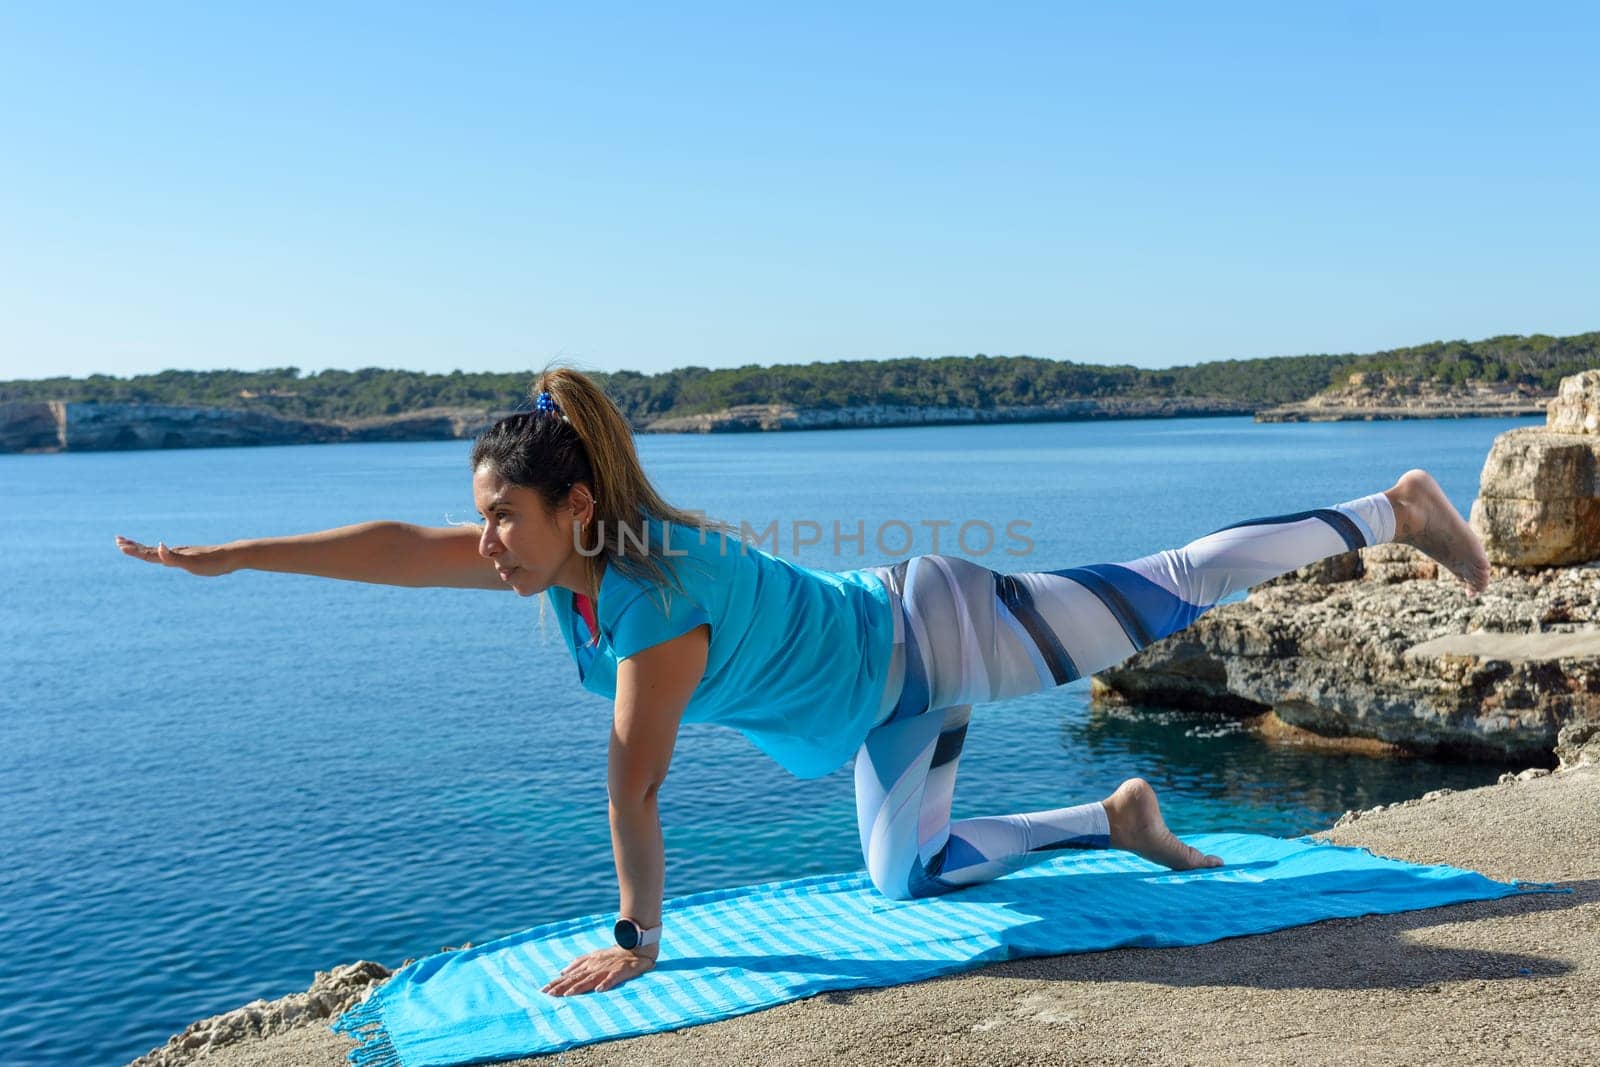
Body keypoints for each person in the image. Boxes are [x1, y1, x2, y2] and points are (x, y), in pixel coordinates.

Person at [116, 367, 1492, 999]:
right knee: (909, 880)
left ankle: (1395, 501)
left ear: (572, 504)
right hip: (880, 707)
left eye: (500, 519)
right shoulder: (568, 565)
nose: (480, 543)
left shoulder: (650, 602)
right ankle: (1104, 820)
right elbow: (398, 551)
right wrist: (238, 554)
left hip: (932, 632)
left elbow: (633, 785)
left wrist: (641, 945)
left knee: (1156, 592)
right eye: (480, 518)